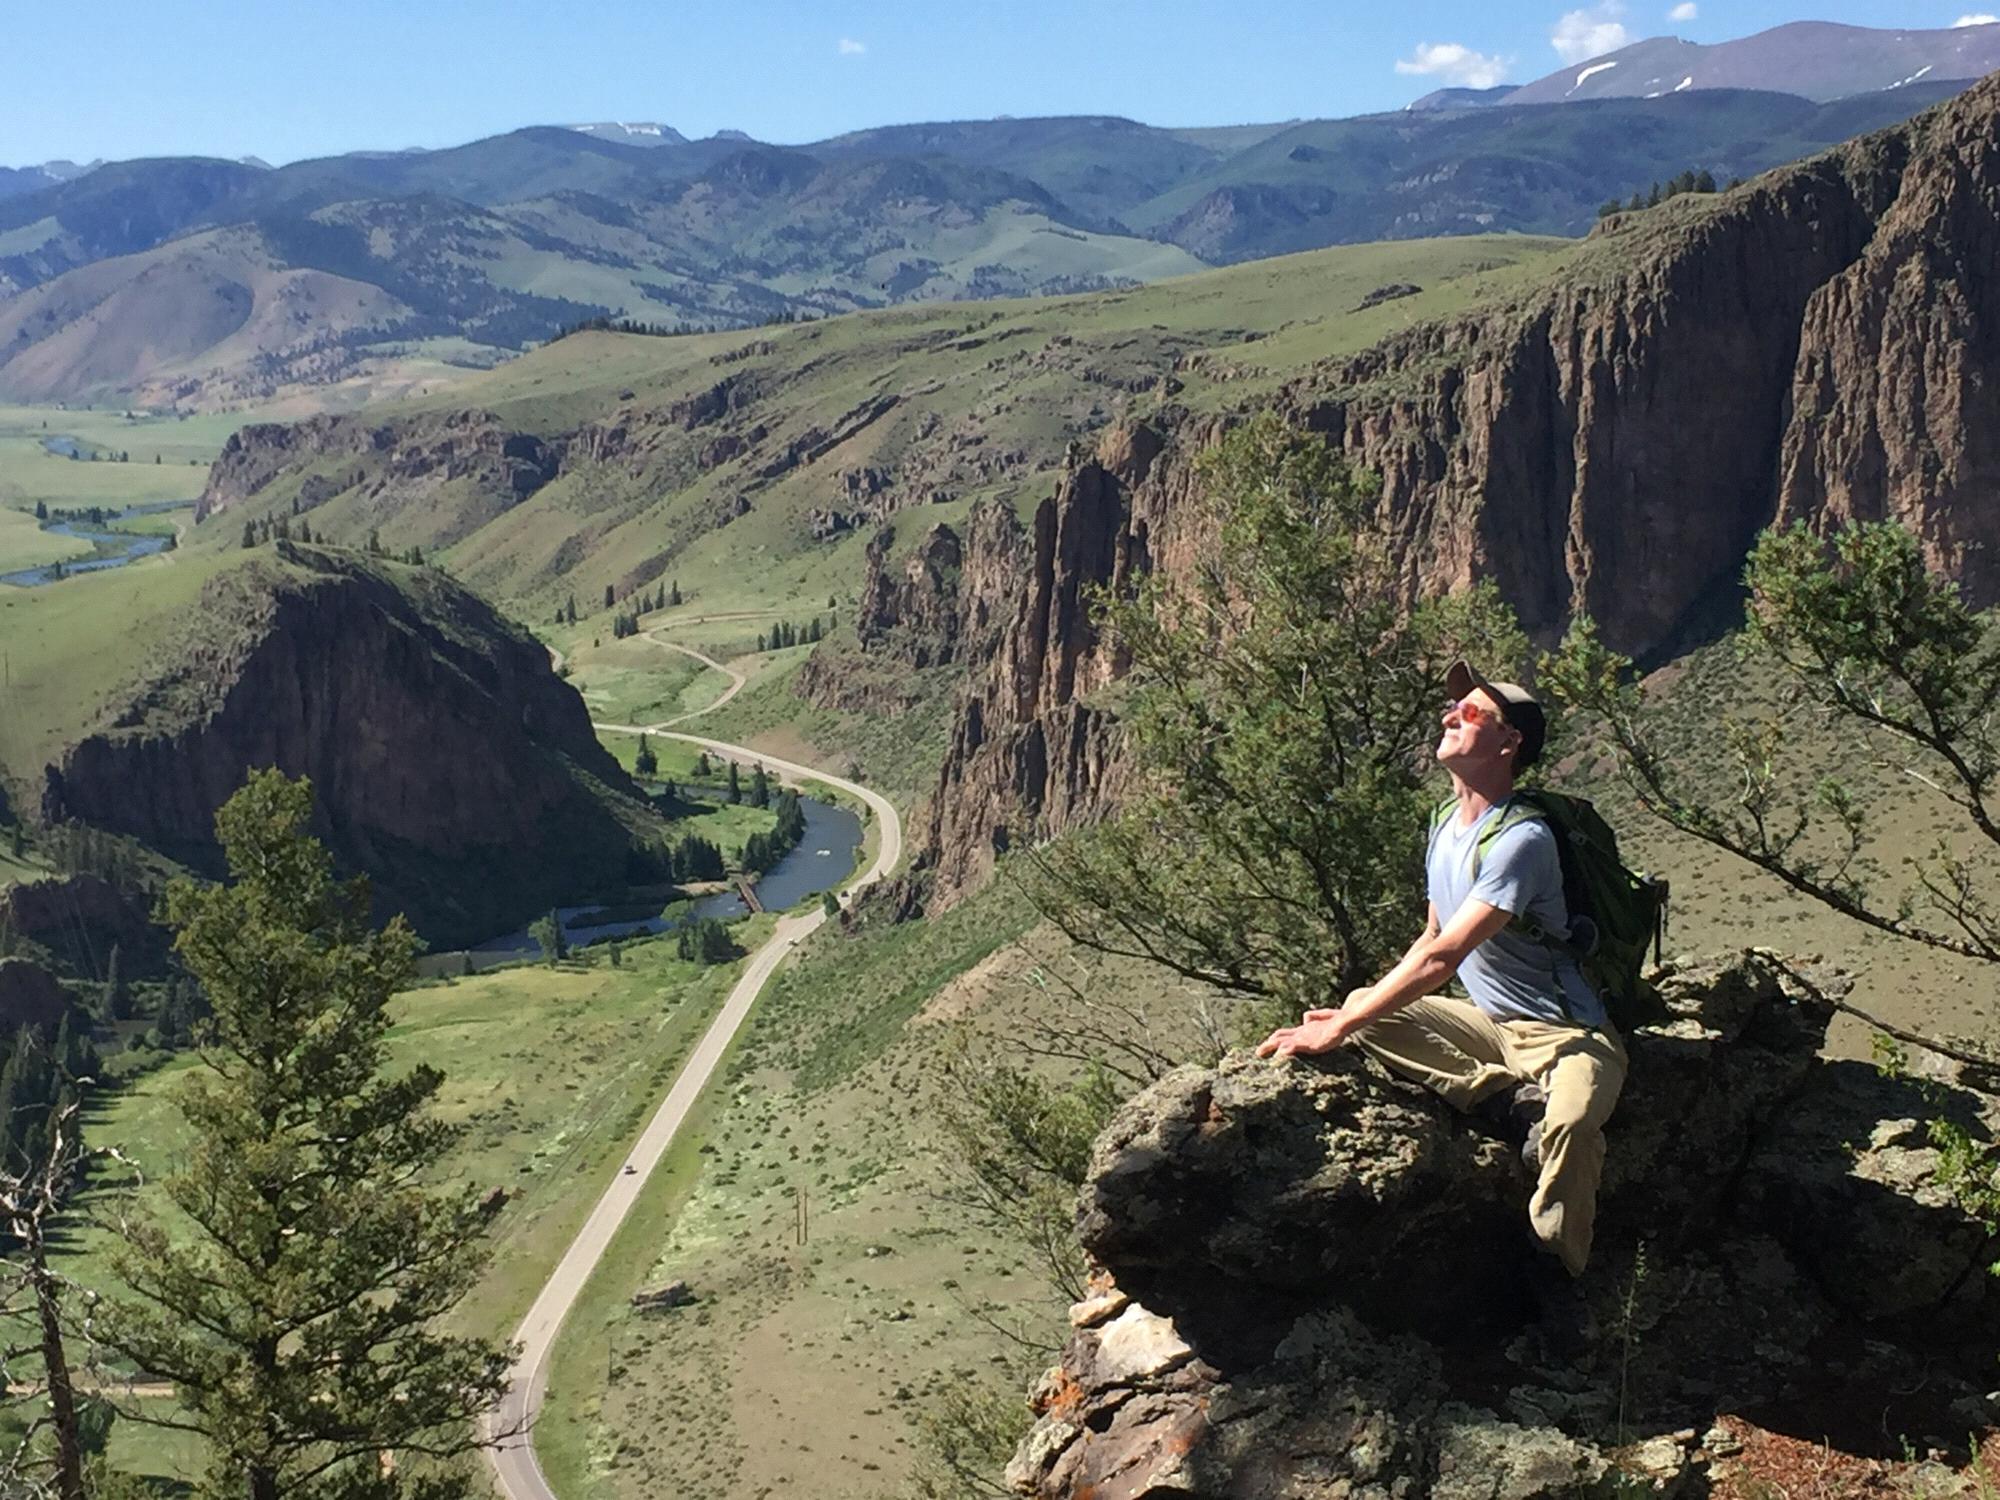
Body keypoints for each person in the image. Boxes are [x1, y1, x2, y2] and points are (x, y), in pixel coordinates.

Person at [1256, 660, 1627, 1280]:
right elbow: (1429, 935)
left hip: (1566, 1034)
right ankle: (1505, 1101)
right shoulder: (1444, 828)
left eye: (1471, 712)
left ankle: (1560, 1265)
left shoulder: (1521, 840)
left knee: (1572, 1122)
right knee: (1362, 1005)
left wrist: (1339, 1030)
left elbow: (1442, 956)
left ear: (1509, 744)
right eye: (1451, 710)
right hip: (1489, 1024)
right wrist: (1353, 1016)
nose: (1450, 715)